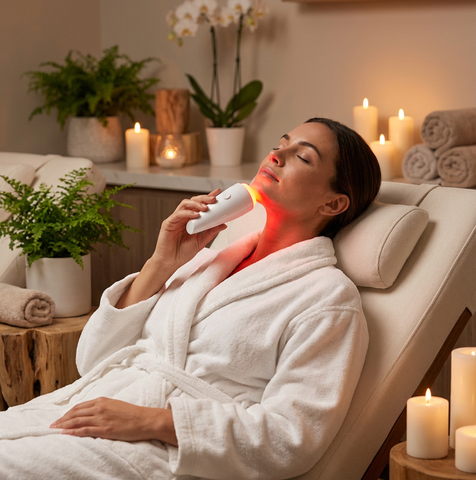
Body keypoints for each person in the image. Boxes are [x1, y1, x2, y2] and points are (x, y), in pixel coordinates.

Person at [0, 118, 381, 479]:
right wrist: (161, 262)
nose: (276, 155)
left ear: (333, 204)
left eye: (303, 156)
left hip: (163, 451)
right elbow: (92, 360)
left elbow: (291, 437)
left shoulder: (328, 298)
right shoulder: (209, 259)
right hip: (94, 411)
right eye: (280, 144)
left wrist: (151, 421)